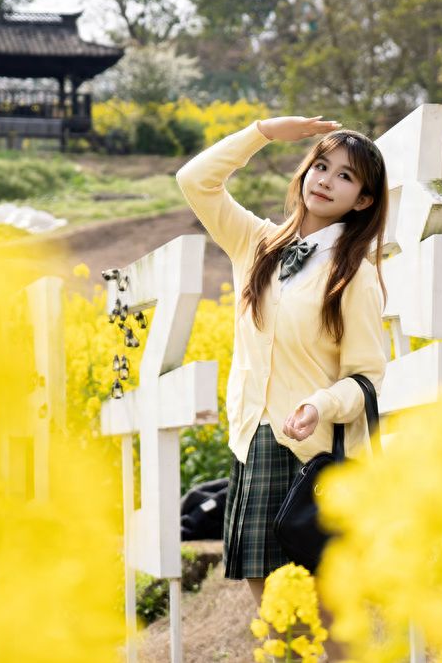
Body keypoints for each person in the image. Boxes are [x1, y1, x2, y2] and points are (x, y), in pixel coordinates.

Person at [175, 115, 389, 650]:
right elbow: (195, 180)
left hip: (313, 457)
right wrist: (263, 132)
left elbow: (366, 377)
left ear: (363, 201)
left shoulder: (354, 273)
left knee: (327, 619)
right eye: (321, 165)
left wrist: (321, 405)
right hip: (256, 444)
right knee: (273, 619)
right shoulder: (256, 242)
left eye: (345, 176)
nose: (325, 179)